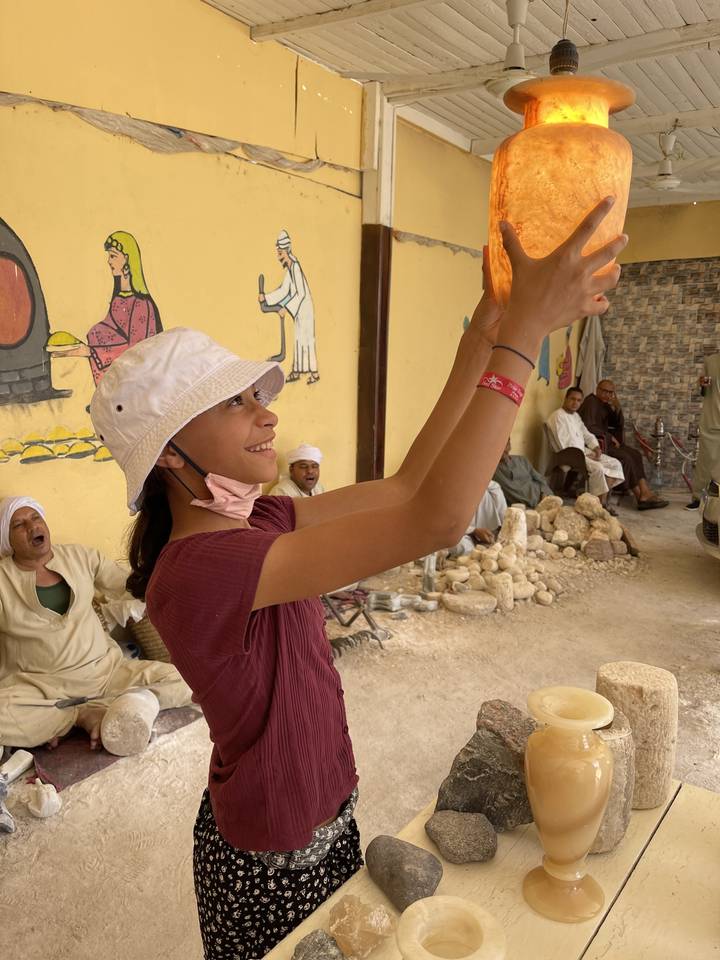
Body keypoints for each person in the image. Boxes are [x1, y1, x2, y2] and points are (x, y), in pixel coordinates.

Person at [89, 197, 626, 959]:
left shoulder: (261, 521)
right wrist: (526, 340)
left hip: (322, 821)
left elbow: (409, 485)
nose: (266, 415)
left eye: (255, 397)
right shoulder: (200, 572)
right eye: (236, 405)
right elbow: (436, 521)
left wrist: (487, 331)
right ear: (169, 454)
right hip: (267, 865)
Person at [0, 497, 190, 757]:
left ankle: (93, 710)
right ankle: (83, 714)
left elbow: (128, 585)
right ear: (7, 540)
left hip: (106, 672)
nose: (32, 527)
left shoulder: (80, 557)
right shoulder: (2, 580)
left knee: (184, 679)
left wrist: (173, 578)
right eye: (18, 525)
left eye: (35, 518)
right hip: (43, 689)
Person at [49, 231, 162, 385]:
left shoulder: (141, 303)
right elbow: (106, 330)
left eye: (113, 256)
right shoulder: (118, 298)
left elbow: (136, 350)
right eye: (109, 256)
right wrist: (76, 348)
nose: (109, 261)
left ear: (127, 259)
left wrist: (90, 351)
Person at [579, 380, 668, 510]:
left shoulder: (604, 404)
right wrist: (609, 437)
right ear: (597, 389)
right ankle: (641, 496)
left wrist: (617, 407)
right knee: (626, 457)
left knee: (636, 454)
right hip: (598, 445)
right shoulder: (591, 402)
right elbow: (588, 427)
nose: (607, 395)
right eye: (604, 391)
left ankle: (644, 492)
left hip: (608, 442)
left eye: (610, 392)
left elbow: (617, 423)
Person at [546, 387, 624, 511]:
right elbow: (563, 444)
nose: (575, 403)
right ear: (566, 399)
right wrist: (585, 455)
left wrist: (596, 447)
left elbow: (586, 434)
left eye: (578, 400)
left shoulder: (576, 416)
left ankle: (600, 503)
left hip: (583, 452)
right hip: (569, 454)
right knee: (598, 468)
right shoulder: (557, 417)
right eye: (572, 399)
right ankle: (597, 507)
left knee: (615, 464)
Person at [259, 230, 319, 385]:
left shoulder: (296, 268)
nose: (279, 257)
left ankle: (315, 373)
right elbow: (284, 290)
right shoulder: (290, 270)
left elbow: (301, 293)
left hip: (304, 309)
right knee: (299, 339)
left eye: (280, 253)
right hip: (298, 310)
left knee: (307, 340)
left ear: (286, 252)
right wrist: (266, 297)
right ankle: (297, 371)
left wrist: (287, 308)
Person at [688, 353, 720, 509]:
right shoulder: (711, 361)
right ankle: (698, 498)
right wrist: (702, 385)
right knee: (705, 462)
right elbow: (702, 390)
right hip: (712, 419)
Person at [448, 481, 507, 555]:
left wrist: (504, 523)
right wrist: (473, 531)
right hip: (461, 533)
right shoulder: (448, 489)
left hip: (489, 532)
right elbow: (445, 522)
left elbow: (495, 488)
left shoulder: (484, 483)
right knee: (458, 547)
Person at [493, 439, 553, 509]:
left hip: (543, 495)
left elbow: (540, 479)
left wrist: (544, 494)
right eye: (500, 446)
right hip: (526, 508)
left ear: (510, 446)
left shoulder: (522, 460)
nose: (503, 449)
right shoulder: (493, 471)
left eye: (506, 445)